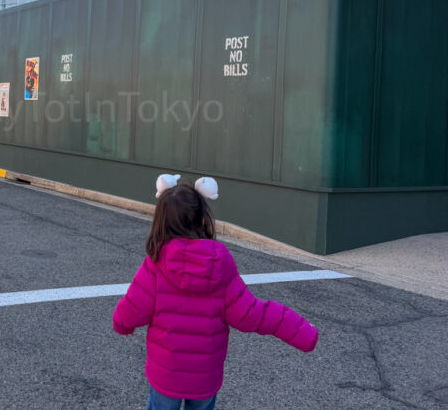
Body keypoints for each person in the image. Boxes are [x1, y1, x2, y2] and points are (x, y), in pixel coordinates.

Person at [113, 175, 318, 410]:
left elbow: (132, 308)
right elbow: (252, 314)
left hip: (165, 375)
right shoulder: (220, 263)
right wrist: (304, 332)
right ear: (202, 218)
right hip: (205, 379)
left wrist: (123, 325)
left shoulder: (156, 263)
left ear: (161, 221)